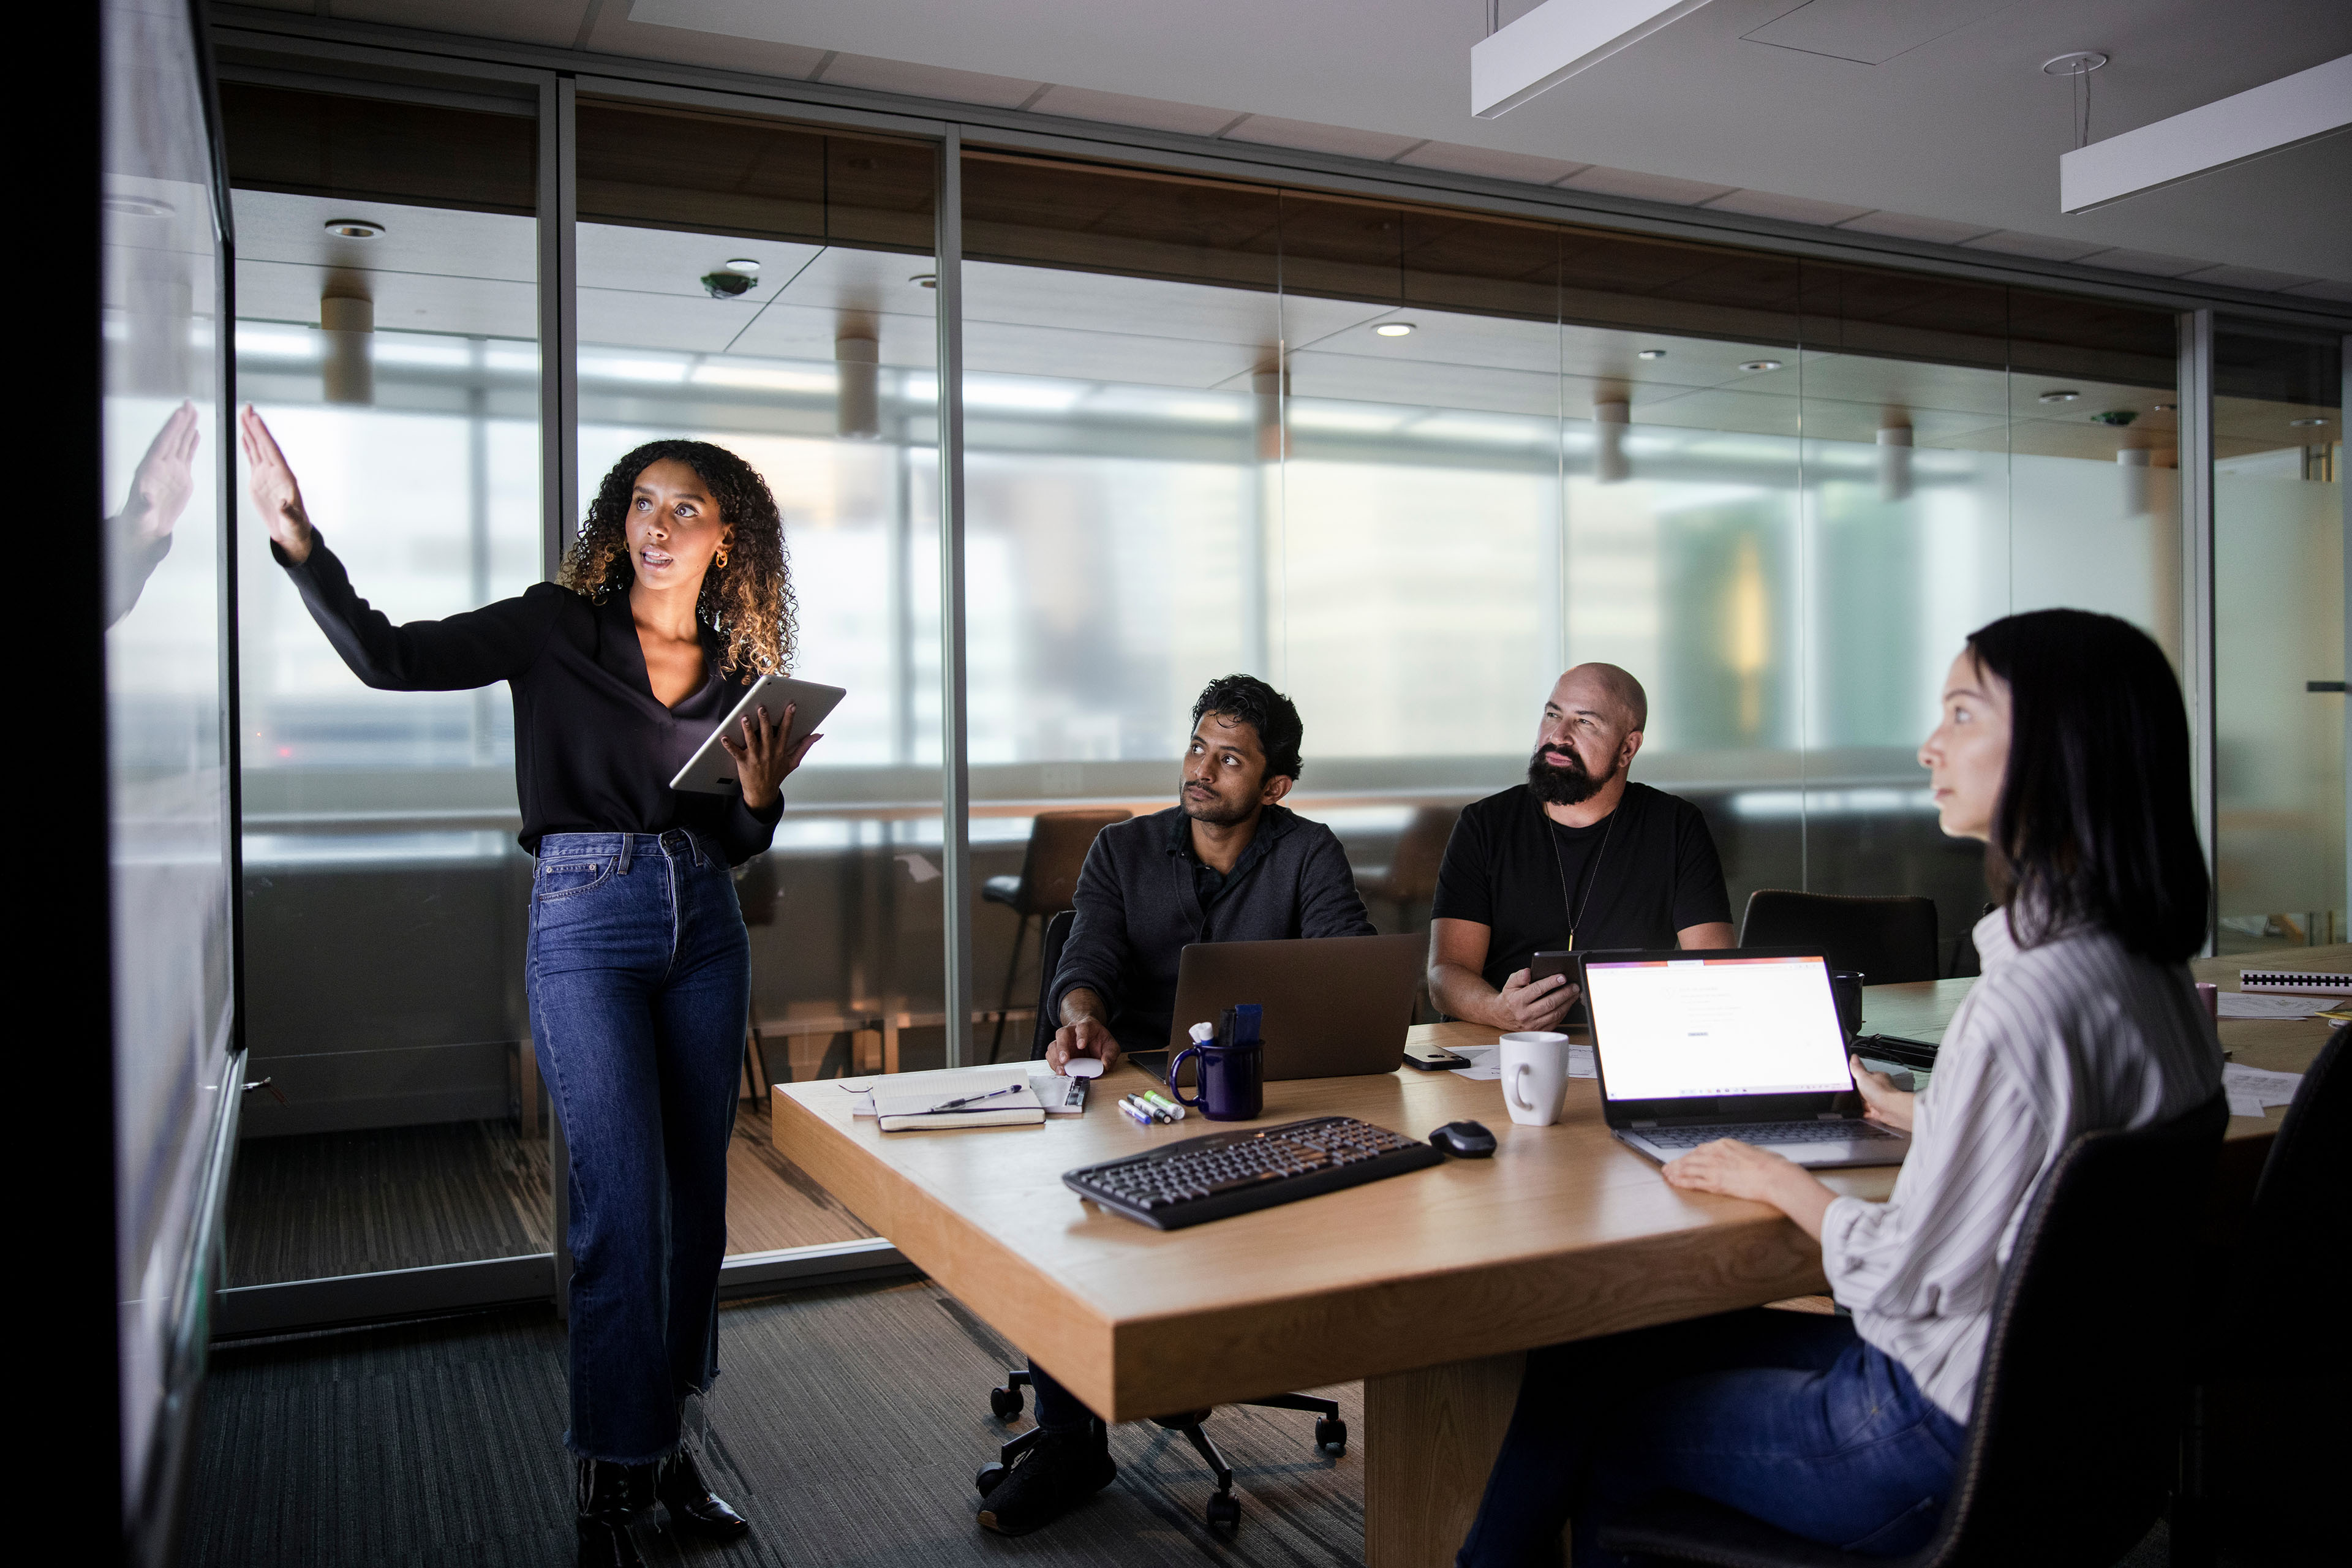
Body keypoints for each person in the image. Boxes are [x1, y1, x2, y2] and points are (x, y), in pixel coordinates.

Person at [1453, 609, 2223, 1567]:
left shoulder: (2024, 1002)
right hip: (2066, 1428)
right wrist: (1929, 1114)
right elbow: (2061, 1156)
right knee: (1597, 1350)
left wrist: (1780, 1182)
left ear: (2062, 752)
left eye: (1962, 713)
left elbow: (1905, 1275)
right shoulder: (2153, 979)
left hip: (1926, 1434)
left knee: (1611, 1429)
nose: (1928, 743)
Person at [239, 409, 820, 1568]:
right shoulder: (557, 628)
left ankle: (672, 1447)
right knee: (621, 1207)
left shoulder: (744, 675)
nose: (656, 526)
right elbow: (391, 657)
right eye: (642, 505)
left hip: (704, 922)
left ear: (727, 542)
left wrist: (758, 800)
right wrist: (302, 542)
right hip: (585, 916)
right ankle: (613, 1479)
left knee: (697, 1210)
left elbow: (736, 840)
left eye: (685, 511)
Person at [979, 673, 1375, 1537]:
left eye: (1230, 759)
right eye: (1198, 747)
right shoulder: (1122, 851)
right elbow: (1084, 962)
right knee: (1065, 1225)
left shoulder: (1308, 852)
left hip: (1262, 1093)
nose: (1202, 770)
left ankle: (1203, 1349)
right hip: (1132, 1087)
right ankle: (1070, 1439)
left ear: (1274, 787)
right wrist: (1081, 1020)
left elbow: (1351, 968)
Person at [1428, 663, 1733, 1031]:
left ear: (1628, 748)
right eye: (1552, 714)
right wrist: (1498, 1010)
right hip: (1499, 1046)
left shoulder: (1676, 826)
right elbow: (1445, 976)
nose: (1558, 736)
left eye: (1585, 722)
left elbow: (1716, 972)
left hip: (1630, 1043)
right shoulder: (1485, 824)